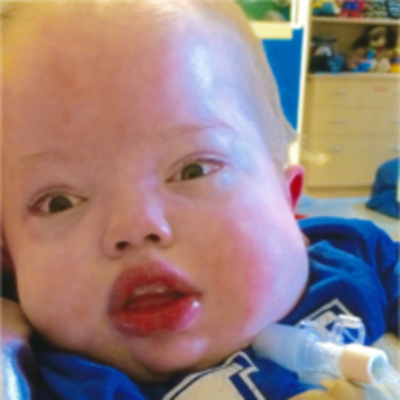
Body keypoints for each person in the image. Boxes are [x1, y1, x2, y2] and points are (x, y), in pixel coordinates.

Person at [0, 1, 399, 399]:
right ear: (9, 257)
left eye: (193, 170)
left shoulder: (350, 256)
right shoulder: (54, 383)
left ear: (286, 201)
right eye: (59, 202)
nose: (135, 226)